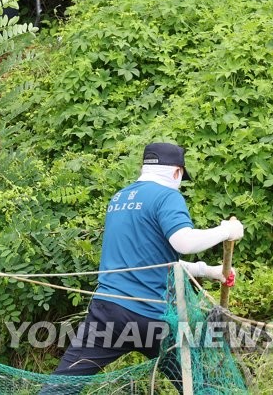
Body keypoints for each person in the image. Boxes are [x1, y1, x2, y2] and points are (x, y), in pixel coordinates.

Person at [45, 142, 242, 392]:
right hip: (153, 318)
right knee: (198, 385)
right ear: (176, 172)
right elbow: (184, 241)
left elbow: (152, 259)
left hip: (108, 314)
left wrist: (207, 270)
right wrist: (227, 230)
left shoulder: (119, 199)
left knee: (63, 384)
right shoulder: (167, 196)